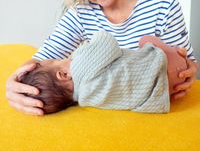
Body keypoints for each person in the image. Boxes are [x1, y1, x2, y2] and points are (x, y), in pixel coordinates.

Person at [6, 0, 198, 116]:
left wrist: (188, 68)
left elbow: (187, 62)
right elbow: (43, 58)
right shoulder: (81, 12)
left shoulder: (162, 5)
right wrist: (14, 81)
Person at [20, 31, 187, 114]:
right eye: (56, 61)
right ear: (63, 75)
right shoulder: (79, 67)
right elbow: (107, 41)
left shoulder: (85, 99)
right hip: (163, 66)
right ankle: (171, 51)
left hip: (162, 93)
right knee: (145, 39)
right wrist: (81, 50)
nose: (66, 58)